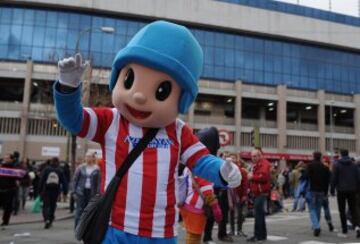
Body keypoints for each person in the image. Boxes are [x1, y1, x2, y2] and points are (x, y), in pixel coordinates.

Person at [54, 21, 241, 243]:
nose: (139, 97)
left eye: (162, 91)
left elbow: (201, 161)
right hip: (114, 228)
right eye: (129, 79)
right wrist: (68, 89)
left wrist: (223, 171)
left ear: (182, 99)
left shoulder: (178, 132)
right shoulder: (111, 120)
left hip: (159, 234)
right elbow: (75, 120)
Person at [179, 167, 222, 244]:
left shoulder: (189, 167)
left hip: (188, 204)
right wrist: (215, 207)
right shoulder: (200, 168)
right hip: (195, 206)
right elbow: (207, 190)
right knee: (194, 236)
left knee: (192, 234)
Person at [331, 149, 360, 238]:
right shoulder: (354, 165)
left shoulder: (337, 165)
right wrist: (357, 189)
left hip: (341, 190)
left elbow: (334, 178)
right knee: (353, 209)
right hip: (352, 190)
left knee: (342, 210)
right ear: (348, 154)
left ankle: (344, 230)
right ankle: (357, 227)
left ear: (341, 155)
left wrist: (332, 189)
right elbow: (358, 178)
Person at [246, 149, 271, 242]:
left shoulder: (264, 164)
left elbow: (264, 177)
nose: (253, 158)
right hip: (258, 192)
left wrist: (252, 177)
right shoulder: (259, 164)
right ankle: (261, 235)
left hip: (261, 192)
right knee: (260, 215)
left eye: (255, 156)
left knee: (258, 215)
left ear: (260, 155)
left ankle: (258, 235)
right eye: (252, 156)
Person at [305, 151, 331, 237]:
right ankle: (316, 225)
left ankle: (316, 226)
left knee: (312, 209)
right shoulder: (325, 167)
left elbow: (306, 176)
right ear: (320, 157)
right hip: (321, 191)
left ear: (313, 156)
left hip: (312, 190)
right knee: (318, 209)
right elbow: (327, 181)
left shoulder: (310, 165)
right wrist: (326, 192)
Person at [73, 152, 100, 228]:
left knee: (89, 211)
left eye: (89, 157)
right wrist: (73, 192)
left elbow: (98, 182)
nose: (88, 158)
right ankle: (77, 228)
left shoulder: (97, 168)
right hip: (81, 192)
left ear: (93, 158)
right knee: (79, 210)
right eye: (86, 156)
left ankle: (86, 228)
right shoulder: (80, 168)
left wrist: (98, 194)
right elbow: (75, 180)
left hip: (92, 192)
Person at [38, 157, 66, 229]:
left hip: (46, 190)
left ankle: (46, 219)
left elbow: (42, 180)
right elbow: (64, 182)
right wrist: (65, 191)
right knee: (53, 206)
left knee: (45, 205)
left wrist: (39, 190)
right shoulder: (60, 170)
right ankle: (50, 220)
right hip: (56, 190)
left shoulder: (46, 169)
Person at [0, 153, 25, 227]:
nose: (5, 159)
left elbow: (22, 175)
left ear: (11, 159)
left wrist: (18, 181)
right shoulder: (1, 167)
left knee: (8, 207)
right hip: (0, 190)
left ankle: (5, 221)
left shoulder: (14, 168)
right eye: (5, 158)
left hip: (9, 190)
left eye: (7, 158)